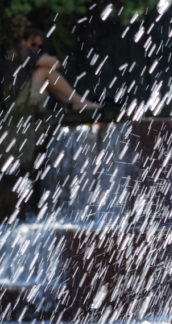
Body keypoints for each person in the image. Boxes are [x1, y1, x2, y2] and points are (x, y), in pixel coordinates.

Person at [1, 26, 102, 220]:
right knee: (46, 72)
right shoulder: (20, 50)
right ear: (25, 41)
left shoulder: (24, 54)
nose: (36, 48)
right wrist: (46, 59)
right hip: (16, 105)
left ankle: (75, 102)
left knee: (46, 74)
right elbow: (54, 63)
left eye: (38, 45)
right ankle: (77, 102)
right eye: (34, 44)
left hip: (20, 102)